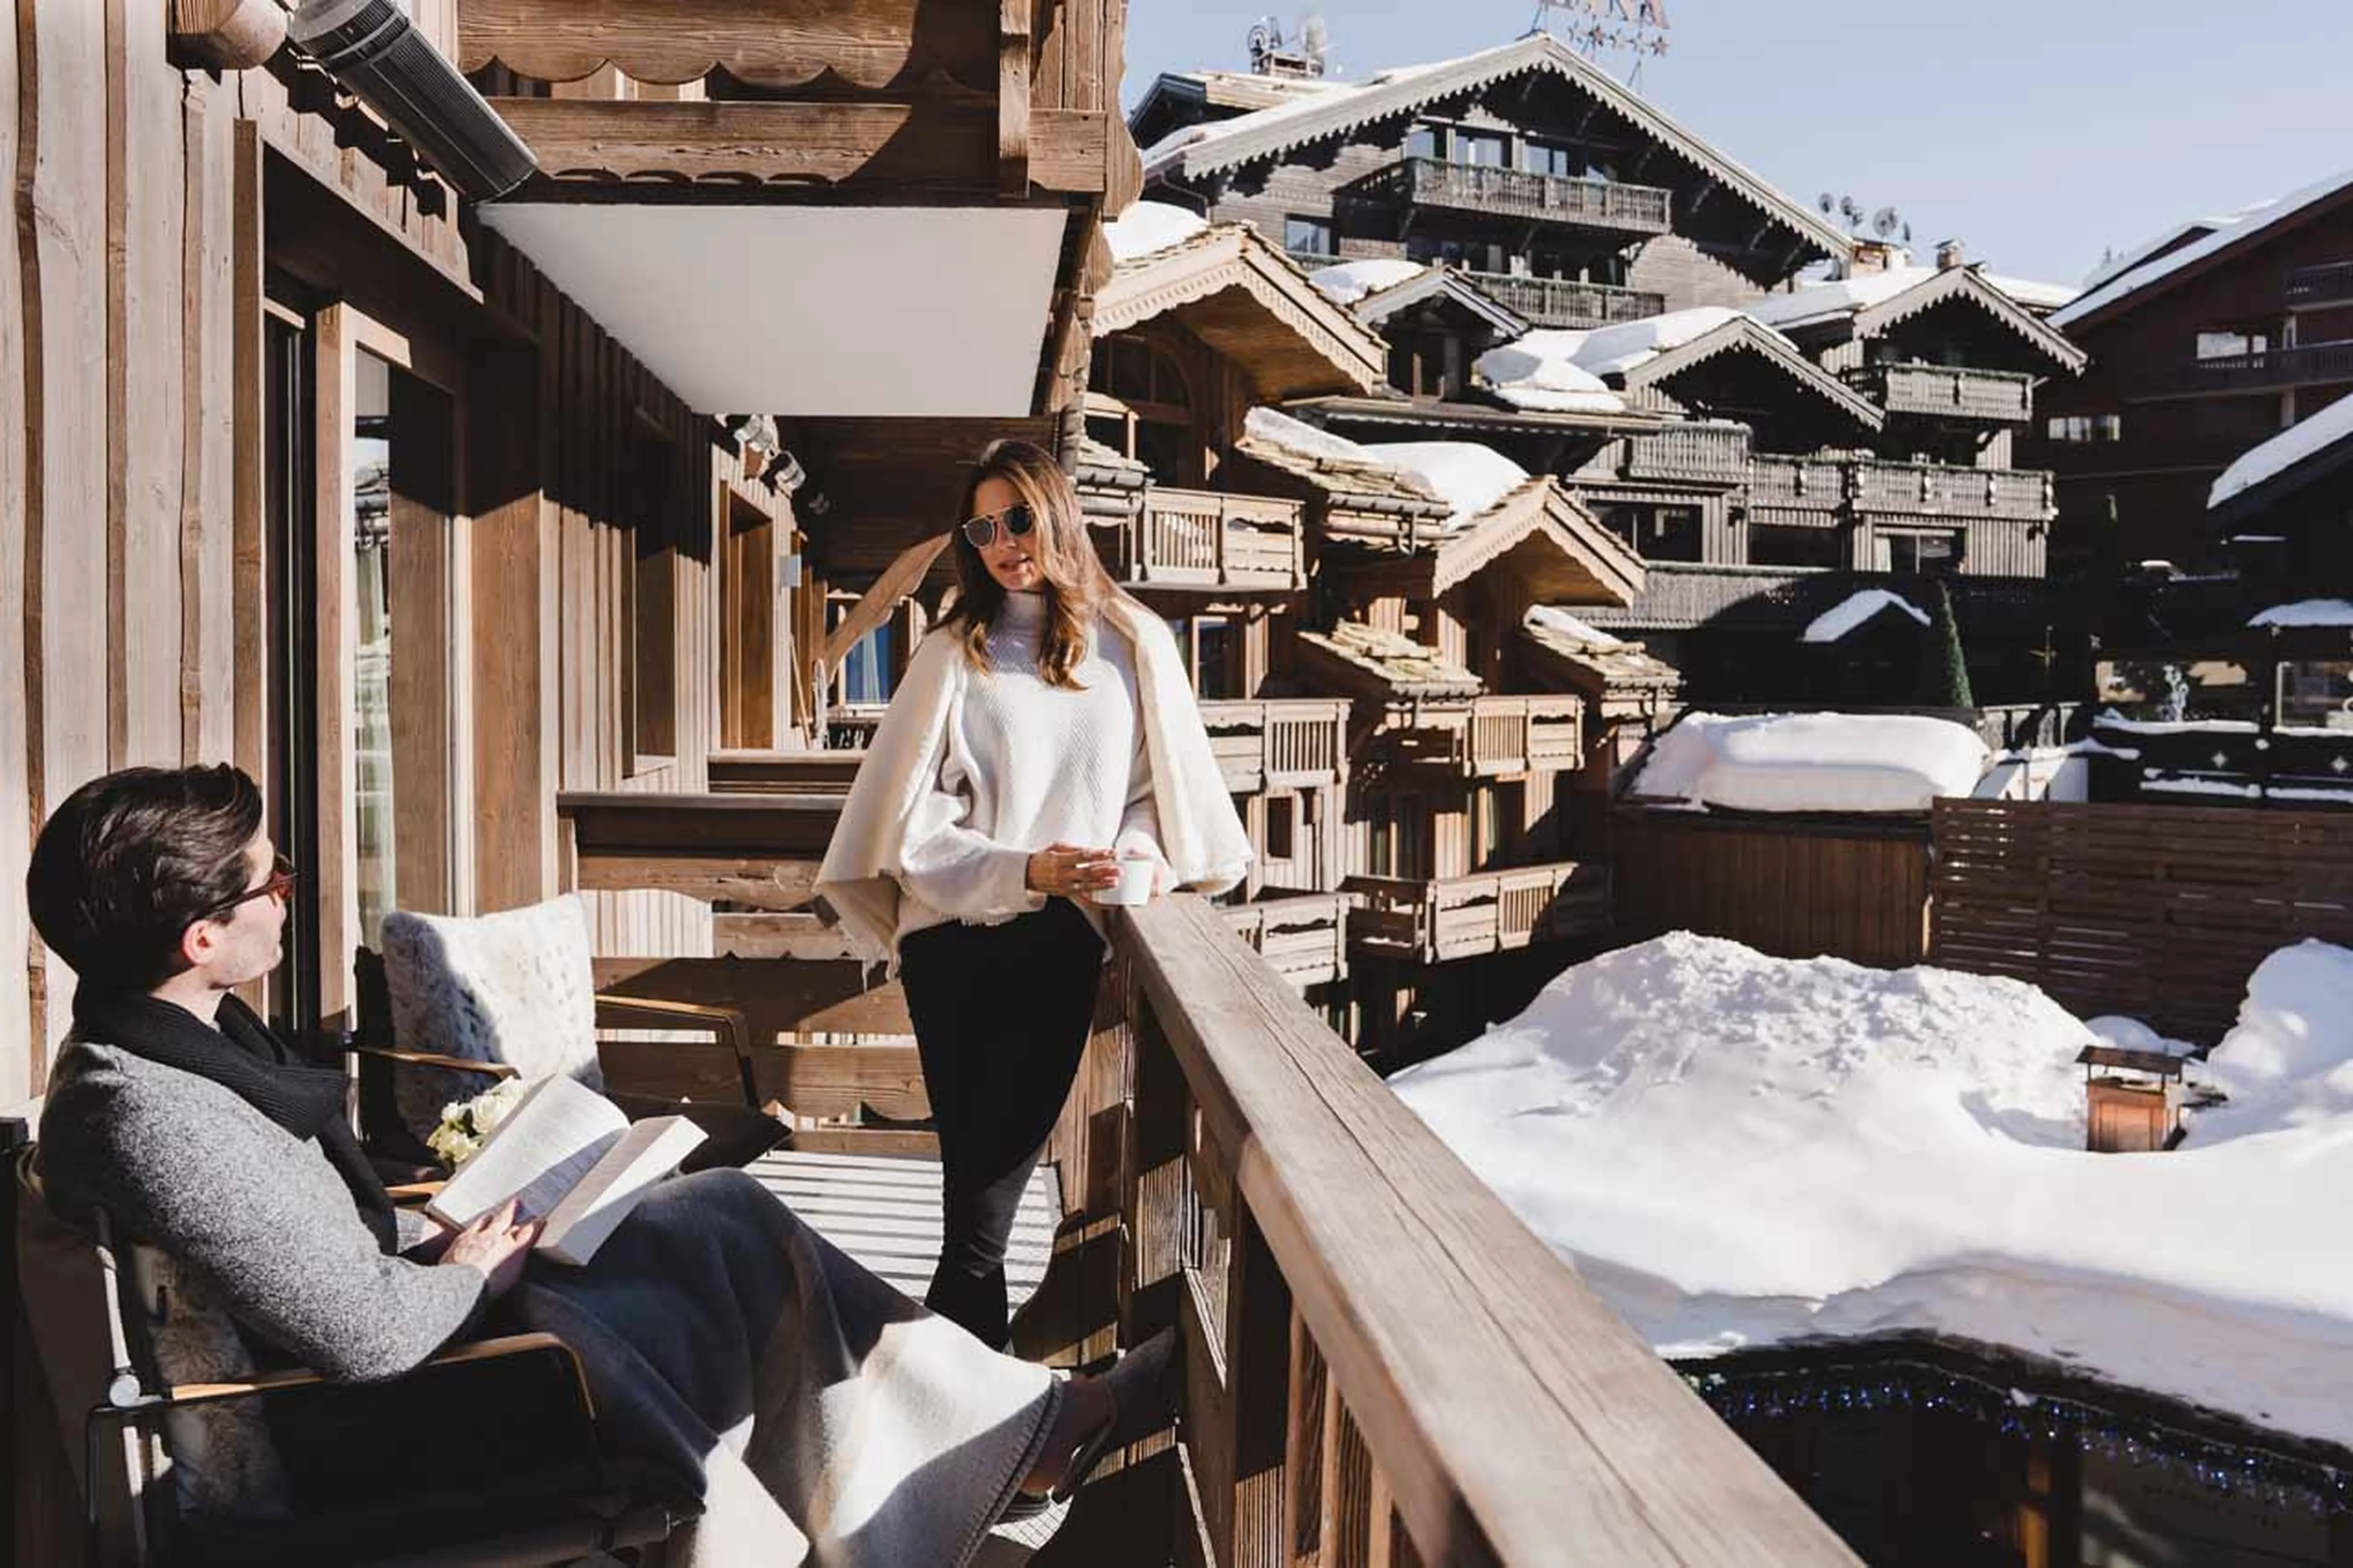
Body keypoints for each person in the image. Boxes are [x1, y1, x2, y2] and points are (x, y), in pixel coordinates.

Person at [27, 763, 1172, 1567]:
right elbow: (364, 1335)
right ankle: (1022, 1438)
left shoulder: (171, 1052)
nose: (289, 894)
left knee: (716, 1214)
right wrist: (467, 1268)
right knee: (716, 1266)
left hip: (407, 1321)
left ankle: (1014, 1434)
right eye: (271, 883)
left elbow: (307, 1250)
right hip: (387, 1409)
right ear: (202, 939)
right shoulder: (153, 1114)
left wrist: (455, 1236)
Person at [817, 439, 1252, 1349]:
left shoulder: (1134, 645)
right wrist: (1025, 869)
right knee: (979, 1209)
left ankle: (944, 1393)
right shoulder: (954, 654)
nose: (1003, 543)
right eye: (982, 530)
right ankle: (969, 1405)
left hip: (1058, 946)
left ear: (1058, 514)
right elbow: (911, 831)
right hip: (954, 943)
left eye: (1017, 518)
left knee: (981, 1205)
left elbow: (1153, 794)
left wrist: (1130, 857)